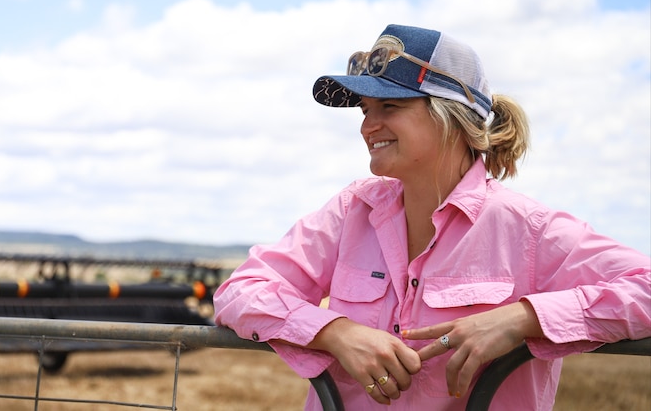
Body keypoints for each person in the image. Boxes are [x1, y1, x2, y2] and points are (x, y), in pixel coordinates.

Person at [212, 24, 651, 410]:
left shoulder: (529, 230)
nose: (367, 126)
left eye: (390, 107)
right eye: (366, 110)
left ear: (451, 117)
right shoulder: (352, 211)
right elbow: (240, 292)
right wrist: (335, 332)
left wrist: (521, 318)